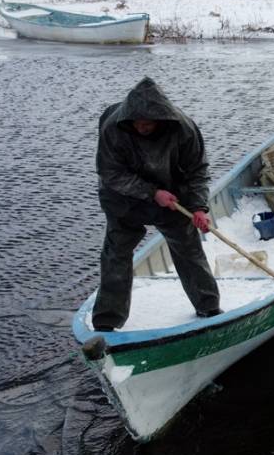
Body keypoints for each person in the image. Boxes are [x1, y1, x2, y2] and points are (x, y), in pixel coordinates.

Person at [92, 77, 221, 332]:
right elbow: (110, 173)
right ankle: (107, 322)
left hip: (172, 197)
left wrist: (199, 208)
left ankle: (208, 307)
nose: (142, 128)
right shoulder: (113, 128)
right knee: (115, 254)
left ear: (162, 120)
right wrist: (152, 193)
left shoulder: (184, 129)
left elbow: (198, 170)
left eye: (148, 124)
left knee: (188, 249)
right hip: (123, 199)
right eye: (137, 124)